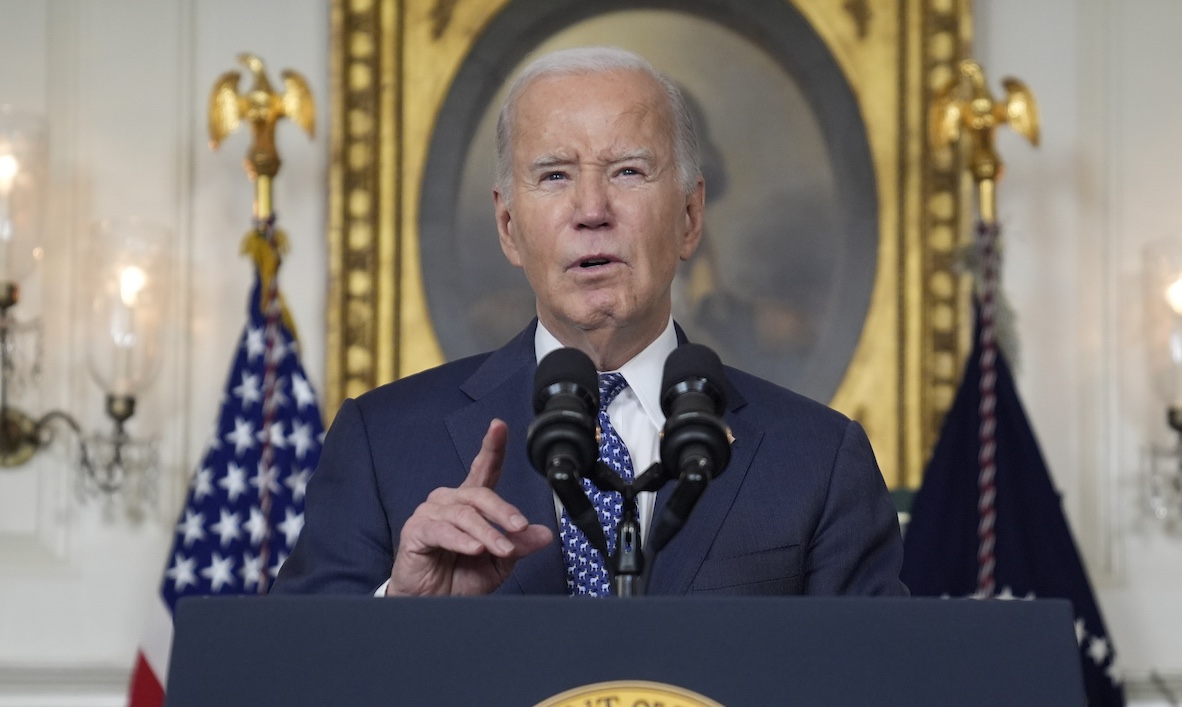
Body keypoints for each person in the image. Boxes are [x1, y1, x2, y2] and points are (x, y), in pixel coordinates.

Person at [272, 46, 906, 597]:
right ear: (508, 227)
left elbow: (875, 682)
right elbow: (289, 678)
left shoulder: (819, 459)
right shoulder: (382, 442)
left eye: (629, 171)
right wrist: (398, 611)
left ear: (689, 217)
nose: (592, 210)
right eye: (554, 175)